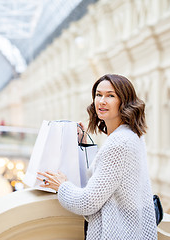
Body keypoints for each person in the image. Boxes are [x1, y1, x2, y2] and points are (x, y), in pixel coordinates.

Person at [37, 74, 157, 239]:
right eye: (98, 94)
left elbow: (87, 203)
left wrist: (61, 186)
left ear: (125, 101)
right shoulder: (130, 135)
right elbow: (107, 176)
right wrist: (84, 145)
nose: (101, 101)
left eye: (111, 96)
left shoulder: (119, 143)